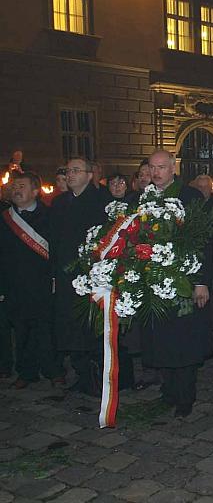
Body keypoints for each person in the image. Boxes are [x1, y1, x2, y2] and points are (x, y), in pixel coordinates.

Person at [139, 150, 213, 417]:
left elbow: (203, 240)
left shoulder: (189, 196)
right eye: (152, 167)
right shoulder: (145, 197)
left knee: (183, 340)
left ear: (173, 168)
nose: (156, 172)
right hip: (154, 280)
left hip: (183, 280)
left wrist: (201, 281)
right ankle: (168, 391)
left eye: (161, 167)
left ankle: (185, 396)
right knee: (161, 339)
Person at [50, 157, 109, 396]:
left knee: (90, 328)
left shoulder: (101, 202)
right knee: (69, 327)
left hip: (91, 275)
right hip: (65, 276)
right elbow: (53, 241)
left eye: (76, 170)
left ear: (89, 175)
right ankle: (81, 374)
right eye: (67, 171)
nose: (70, 175)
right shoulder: (59, 203)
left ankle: (98, 377)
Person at [0, 173, 64, 389]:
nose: (16, 190)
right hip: (15, 285)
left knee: (47, 329)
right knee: (22, 329)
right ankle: (26, 372)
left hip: (43, 282)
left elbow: (57, 249)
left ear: (36, 191)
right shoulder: (5, 218)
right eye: (14, 186)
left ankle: (54, 370)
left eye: (22, 186)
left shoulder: (50, 215)